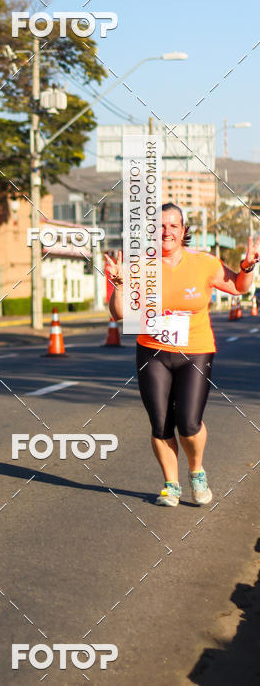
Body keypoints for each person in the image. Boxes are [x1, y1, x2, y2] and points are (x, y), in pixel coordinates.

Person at [105, 202, 260, 507]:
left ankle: (197, 471)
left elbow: (239, 288)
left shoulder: (204, 263)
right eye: (160, 226)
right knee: (160, 423)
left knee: (189, 423)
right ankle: (170, 485)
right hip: (153, 350)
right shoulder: (139, 266)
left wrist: (247, 267)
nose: (167, 232)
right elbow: (119, 313)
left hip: (196, 350)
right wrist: (120, 283)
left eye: (173, 226)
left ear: (184, 231)